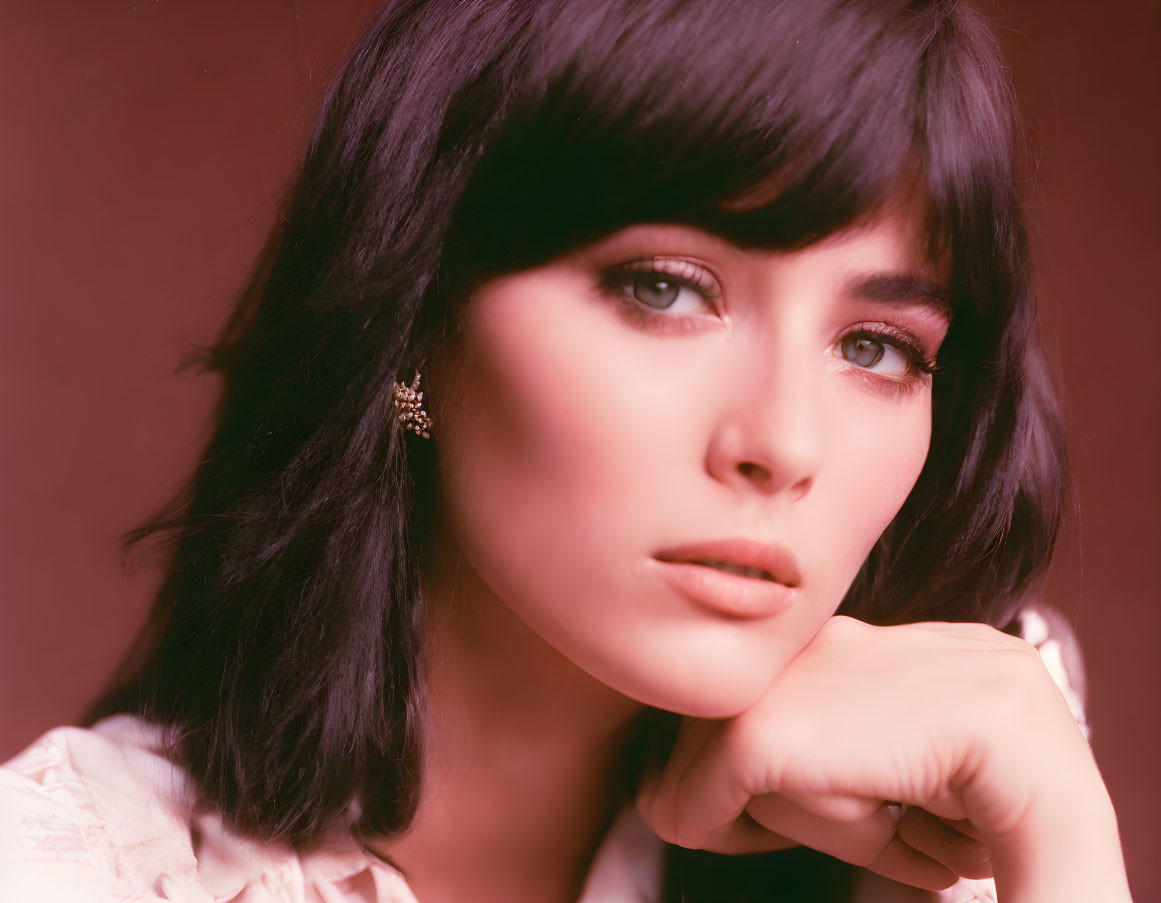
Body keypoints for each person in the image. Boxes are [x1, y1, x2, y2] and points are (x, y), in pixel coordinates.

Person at [0, 0, 1133, 901]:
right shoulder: (69, 873)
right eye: (666, 289)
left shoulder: (969, 762)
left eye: (878, 349)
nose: (783, 445)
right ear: (417, 322)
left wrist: (1056, 838)